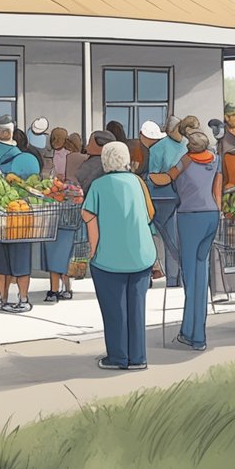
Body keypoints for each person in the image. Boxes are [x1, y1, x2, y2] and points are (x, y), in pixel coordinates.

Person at [82, 141, 156, 370]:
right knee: (137, 307)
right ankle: (138, 357)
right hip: (141, 255)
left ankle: (118, 357)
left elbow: (89, 217)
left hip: (109, 258)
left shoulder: (98, 186)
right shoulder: (137, 182)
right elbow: (149, 215)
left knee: (114, 309)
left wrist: (93, 251)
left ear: (105, 161)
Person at [154, 130, 221, 350]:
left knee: (190, 276)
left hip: (190, 217)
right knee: (201, 275)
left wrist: (146, 177)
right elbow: (216, 191)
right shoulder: (215, 160)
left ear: (190, 147)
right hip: (211, 215)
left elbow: (166, 178)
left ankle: (194, 335)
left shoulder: (186, 160)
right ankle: (193, 330)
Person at [0, 116, 41, 312]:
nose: (4, 133)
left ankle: (18, 298)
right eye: (2, 130)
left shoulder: (18, 155)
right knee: (4, 258)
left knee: (11, 257)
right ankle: (3, 297)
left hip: (12, 212)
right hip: (11, 212)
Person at [144, 118, 185, 286]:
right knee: (172, 240)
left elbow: (153, 176)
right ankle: (174, 279)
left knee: (174, 239)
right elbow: (153, 176)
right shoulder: (160, 148)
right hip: (167, 198)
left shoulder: (187, 145)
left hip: (175, 197)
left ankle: (176, 278)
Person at [40, 127, 77, 303]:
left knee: (60, 248)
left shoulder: (71, 156)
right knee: (56, 248)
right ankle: (58, 288)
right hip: (56, 203)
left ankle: (61, 288)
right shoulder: (49, 157)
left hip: (64, 205)